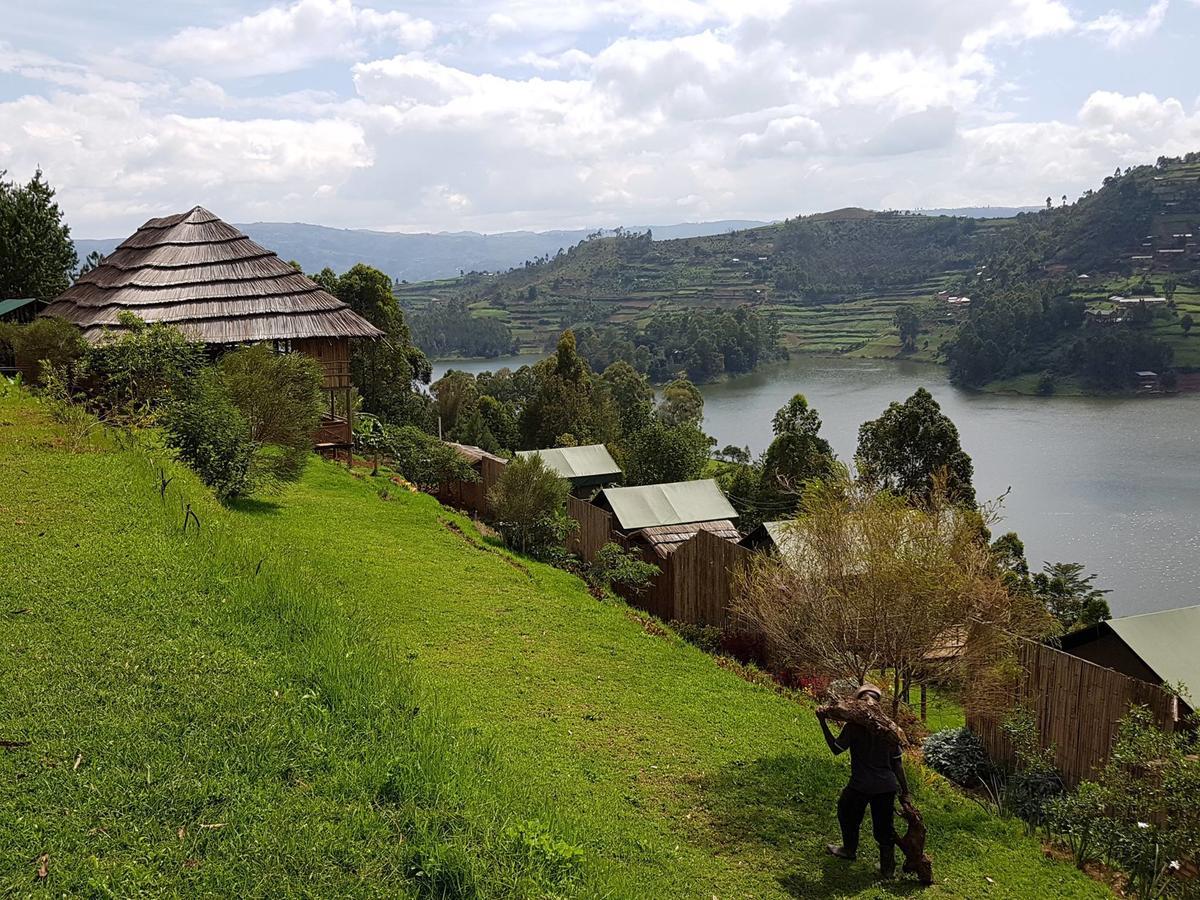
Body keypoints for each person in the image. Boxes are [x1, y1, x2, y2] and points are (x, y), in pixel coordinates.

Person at [817, 683, 909, 879]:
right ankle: (887, 868)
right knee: (884, 827)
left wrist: (822, 721)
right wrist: (905, 791)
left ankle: (848, 850)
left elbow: (836, 748)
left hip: (861, 785)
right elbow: (897, 764)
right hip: (886, 786)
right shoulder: (889, 728)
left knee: (846, 812)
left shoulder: (854, 727)